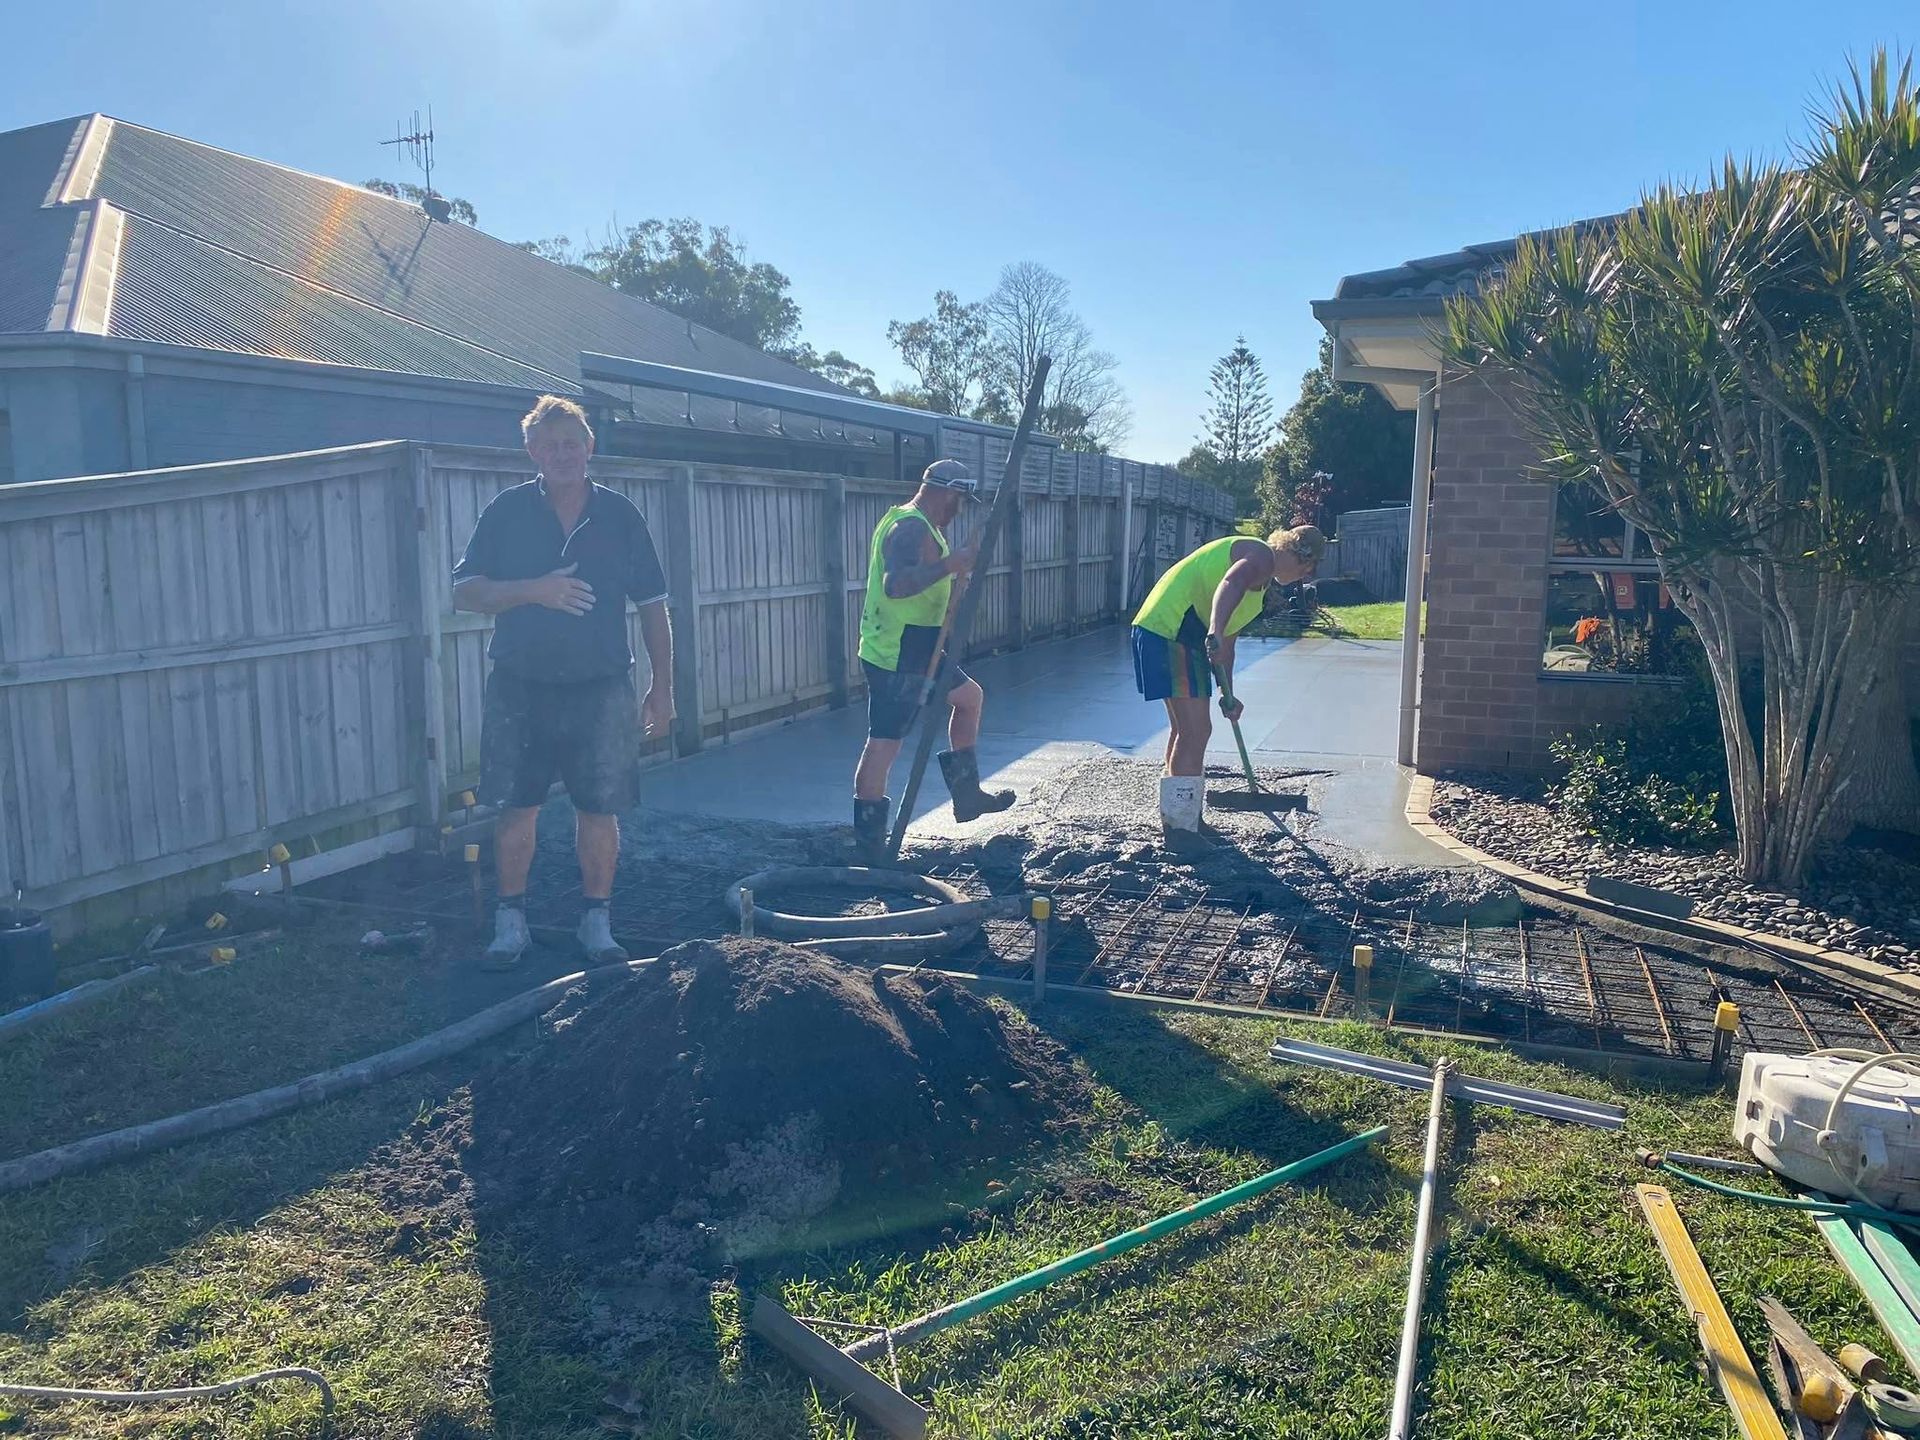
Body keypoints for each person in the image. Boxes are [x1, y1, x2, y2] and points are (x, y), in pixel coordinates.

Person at [451, 395, 674, 968]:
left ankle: (596, 923)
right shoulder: (506, 512)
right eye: (548, 445)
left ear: (589, 447)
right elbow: (465, 592)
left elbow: (653, 605)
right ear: (531, 451)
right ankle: (511, 922)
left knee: (600, 810)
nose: (561, 454)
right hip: (519, 688)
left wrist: (663, 687)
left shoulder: (621, 517)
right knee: (516, 808)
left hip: (601, 689)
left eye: (571, 443)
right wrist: (535, 590)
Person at [851, 459, 1015, 856]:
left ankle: (967, 794)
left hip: (920, 645)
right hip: (896, 650)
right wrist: (949, 565)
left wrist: (952, 573)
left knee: (969, 698)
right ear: (946, 492)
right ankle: (870, 843)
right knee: (885, 743)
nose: (960, 508)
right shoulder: (908, 527)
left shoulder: (923, 526)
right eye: (960, 499)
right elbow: (894, 585)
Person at [1131, 526, 1325, 825]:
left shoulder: (1258, 592)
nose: (1306, 576)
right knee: (1195, 731)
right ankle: (1181, 826)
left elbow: (1227, 650)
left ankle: (1179, 814)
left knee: (1186, 729)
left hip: (1179, 633)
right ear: (1301, 557)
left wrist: (1228, 695)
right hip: (1169, 628)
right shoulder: (1260, 555)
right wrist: (1216, 630)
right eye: (1308, 568)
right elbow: (1230, 582)